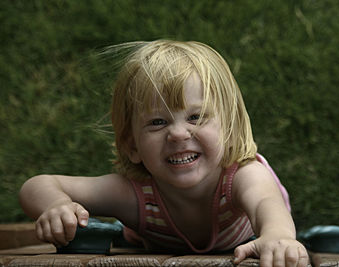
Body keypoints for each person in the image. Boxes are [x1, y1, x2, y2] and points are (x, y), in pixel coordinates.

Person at [19, 40, 309, 267]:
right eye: (158, 122)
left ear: (230, 128)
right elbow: (39, 185)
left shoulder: (243, 175)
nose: (179, 134)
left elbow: (267, 206)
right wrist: (55, 206)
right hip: (150, 239)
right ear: (132, 145)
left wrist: (277, 238)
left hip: (247, 239)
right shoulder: (134, 194)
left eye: (196, 117)